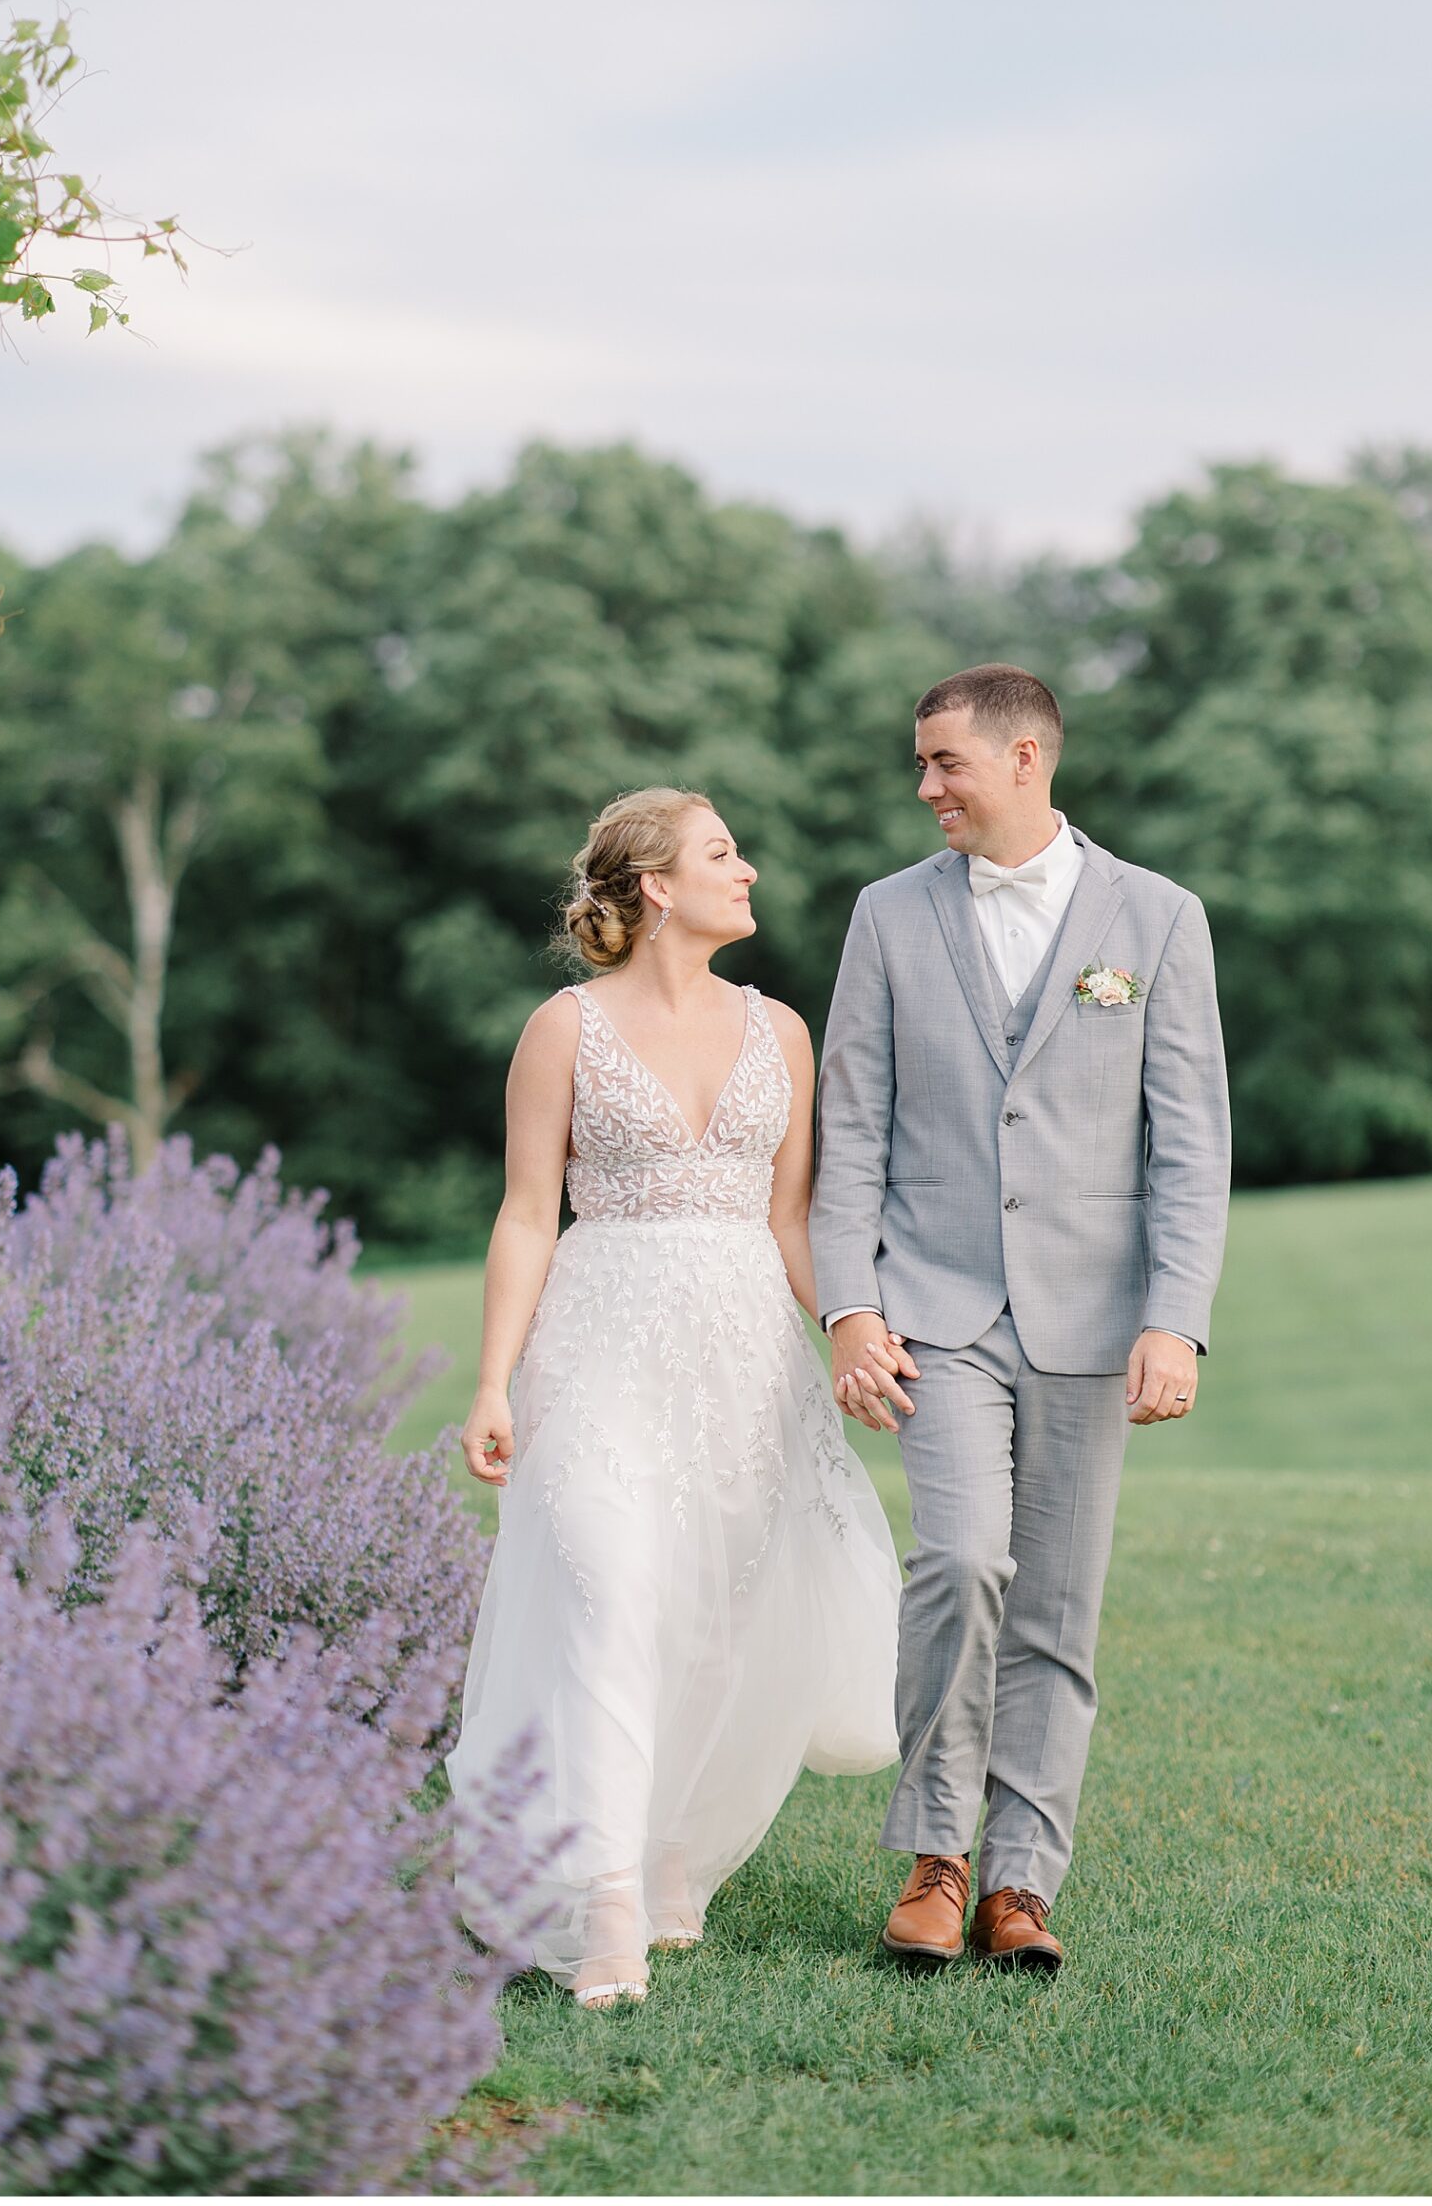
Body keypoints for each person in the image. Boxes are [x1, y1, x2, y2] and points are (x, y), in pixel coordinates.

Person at [446, 787, 902, 2009]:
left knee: (713, 1617)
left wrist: (851, 1335)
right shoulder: (564, 1030)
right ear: (655, 884)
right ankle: (602, 1910)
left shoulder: (782, 1032)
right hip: (597, 1350)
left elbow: (791, 1220)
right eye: (721, 853)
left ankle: (666, 1854)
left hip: (746, 1360)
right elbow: (528, 1213)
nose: (746, 871)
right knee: (608, 1590)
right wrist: (492, 1378)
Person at [811, 663, 1230, 1976]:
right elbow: (850, 1135)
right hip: (934, 1310)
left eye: (945, 763)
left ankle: (1019, 1886)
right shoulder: (886, 918)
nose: (925, 785)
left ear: (1026, 758)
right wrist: (850, 1308)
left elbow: (1189, 1147)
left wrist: (1175, 1316)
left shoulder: (1156, 920)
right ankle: (937, 1853)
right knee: (959, 1561)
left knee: (1057, 1608)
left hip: (1091, 1322)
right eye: (919, 764)